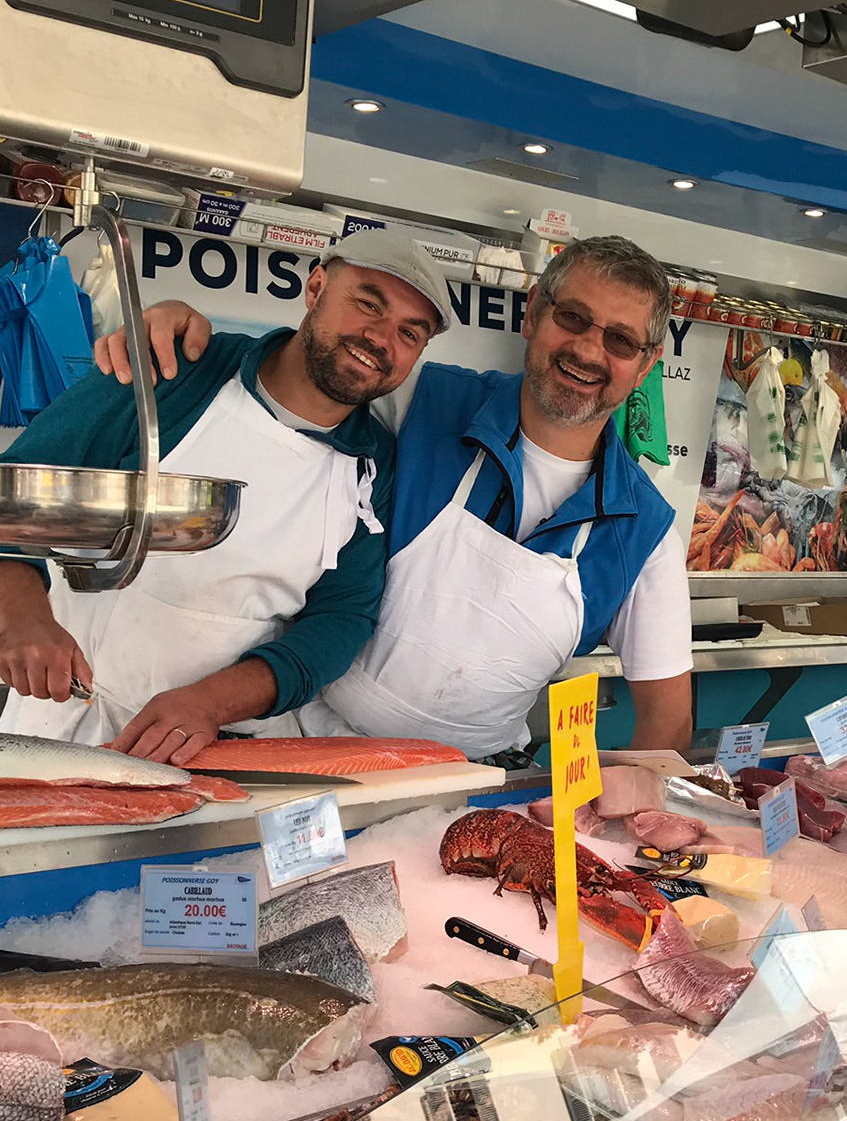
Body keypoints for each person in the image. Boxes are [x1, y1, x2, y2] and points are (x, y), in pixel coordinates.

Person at [98, 234, 694, 759]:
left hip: (467, 783)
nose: (589, 351)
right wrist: (184, 328)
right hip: (308, 743)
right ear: (533, 312)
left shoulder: (646, 531)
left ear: (644, 367)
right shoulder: (419, 401)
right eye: (572, 318)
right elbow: (297, 374)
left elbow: (668, 721)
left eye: (620, 340)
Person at [0, 229, 453, 763]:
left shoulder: (371, 462)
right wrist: (26, 619)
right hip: (66, 721)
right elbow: (9, 496)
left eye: (410, 334)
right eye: (367, 304)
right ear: (315, 287)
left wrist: (209, 703)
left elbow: (341, 618)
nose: (381, 339)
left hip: (222, 742)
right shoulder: (175, 371)